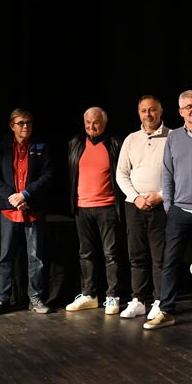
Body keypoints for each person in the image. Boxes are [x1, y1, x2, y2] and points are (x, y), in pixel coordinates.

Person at [144, 90, 192, 330]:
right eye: (189, 107)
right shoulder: (174, 137)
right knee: (170, 261)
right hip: (179, 210)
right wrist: (169, 205)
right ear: (181, 112)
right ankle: (166, 310)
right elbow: (167, 173)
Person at [0, 108, 54, 315]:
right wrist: (13, 197)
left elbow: (48, 175)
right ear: (12, 126)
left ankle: (35, 298)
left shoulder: (41, 146)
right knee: (5, 257)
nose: (25, 126)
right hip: (9, 210)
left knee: (36, 258)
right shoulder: (2, 148)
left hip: (33, 209)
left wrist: (25, 195)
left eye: (28, 123)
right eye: (21, 123)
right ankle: (3, 299)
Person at [116, 95, 170, 320]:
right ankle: (138, 300)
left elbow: (179, 174)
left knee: (160, 257)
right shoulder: (131, 139)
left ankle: (159, 301)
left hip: (161, 206)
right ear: (139, 113)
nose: (148, 114)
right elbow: (121, 173)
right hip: (134, 206)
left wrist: (161, 196)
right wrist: (136, 197)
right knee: (136, 256)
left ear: (161, 111)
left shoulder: (172, 137)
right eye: (143, 111)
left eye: (152, 110)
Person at [66, 107, 124, 315]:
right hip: (82, 208)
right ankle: (89, 294)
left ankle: (112, 296)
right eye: (88, 122)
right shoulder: (76, 143)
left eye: (96, 122)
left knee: (111, 254)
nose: (92, 126)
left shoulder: (115, 144)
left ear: (104, 123)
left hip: (107, 207)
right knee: (86, 253)